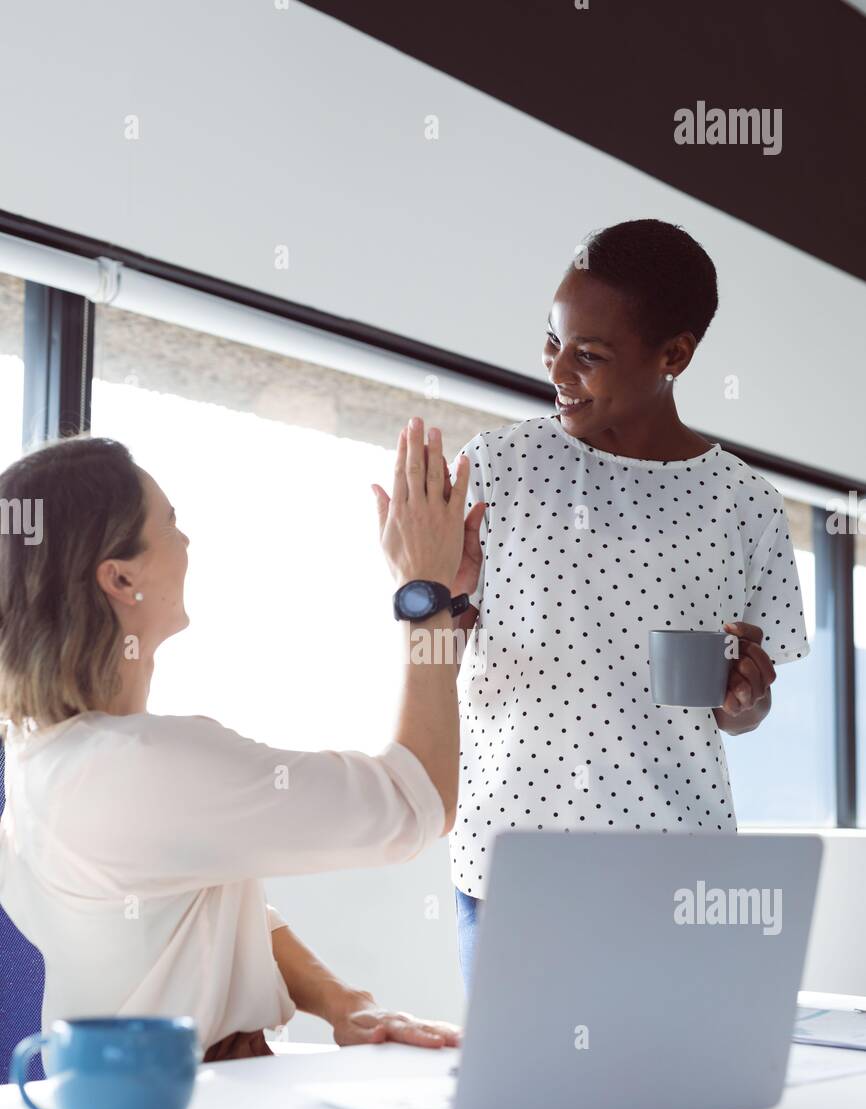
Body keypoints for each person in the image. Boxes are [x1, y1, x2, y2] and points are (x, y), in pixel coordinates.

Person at [0, 417, 468, 1060]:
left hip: (140, 1095)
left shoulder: (45, 755)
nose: (186, 539)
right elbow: (418, 800)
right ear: (120, 579)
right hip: (181, 1107)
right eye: (170, 522)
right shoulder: (139, 767)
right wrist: (424, 593)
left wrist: (345, 1003)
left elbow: (218, 908)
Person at [449, 219, 810, 986]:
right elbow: (434, 640)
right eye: (552, 340)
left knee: (692, 1097)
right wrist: (423, 594)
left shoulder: (746, 504)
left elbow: (741, 715)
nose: (558, 369)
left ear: (673, 355)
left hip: (681, 866)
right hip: (514, 864)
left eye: (590, 354)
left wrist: (744, 699)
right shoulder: (497, 468)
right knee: (527, 1098)